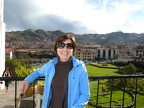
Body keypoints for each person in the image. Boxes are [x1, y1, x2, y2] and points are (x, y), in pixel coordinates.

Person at [19, 34, 90, 108]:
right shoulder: (50, 65)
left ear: (73, 49)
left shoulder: (80, 67)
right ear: (56, 48)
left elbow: (85, 95)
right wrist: (27, 80)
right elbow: (38, 72)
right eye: (61, 45)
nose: (65, 49)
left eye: (69, 45)